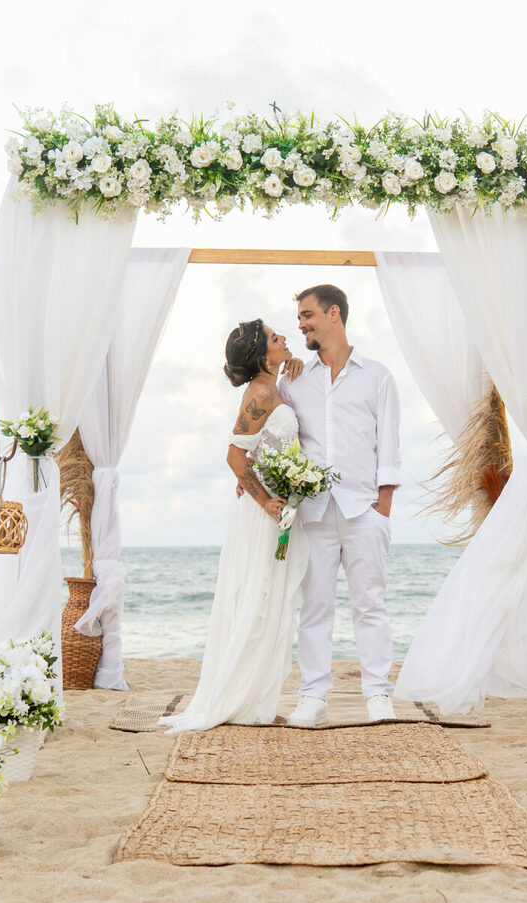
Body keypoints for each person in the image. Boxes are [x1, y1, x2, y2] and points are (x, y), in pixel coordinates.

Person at [159, 320, 308, 732]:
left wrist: (291, 362)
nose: (285, 340)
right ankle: (243, 704)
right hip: (262, 516)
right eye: (277, 339)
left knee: (270, 604)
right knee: (257, 605)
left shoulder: (271, 385)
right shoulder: (260, 394)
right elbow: (234, 457)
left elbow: (255, 450)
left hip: (274, 509)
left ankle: (257, 701)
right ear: (262, 354)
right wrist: (266, 502)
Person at [278, 284, 401, 726]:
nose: (301, 324)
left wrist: (382, 508)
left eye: (307, 315)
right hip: (313, 512)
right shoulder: (293, 379)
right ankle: (313, 696)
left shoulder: (377, 376)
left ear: (334, 314)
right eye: (298, 318)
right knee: (314, 607)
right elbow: (280, 437)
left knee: (370, 605)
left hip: (364, 509)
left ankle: (378, 696)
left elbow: (388, 444)